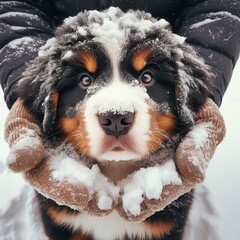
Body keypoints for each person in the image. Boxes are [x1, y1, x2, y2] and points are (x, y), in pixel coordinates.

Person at [0, 0, 239, 220]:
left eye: (146, 77)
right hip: (66, 41)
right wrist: (26, 90)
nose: (116, 111)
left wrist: (204, 91)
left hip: (166, 37)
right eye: (85, 80)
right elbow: (14, 5)